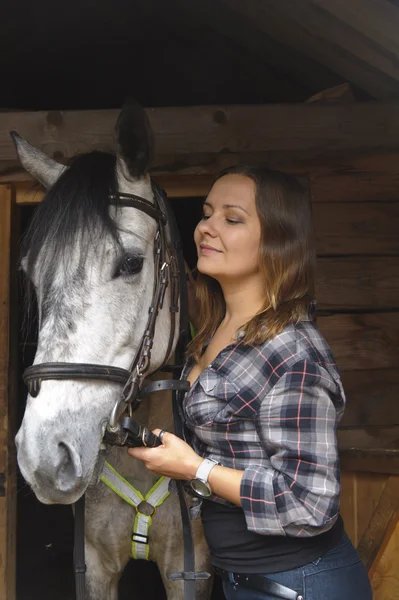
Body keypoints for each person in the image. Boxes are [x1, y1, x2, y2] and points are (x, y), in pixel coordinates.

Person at [128, 166, 373, 600]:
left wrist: (194, 469)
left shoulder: (294, 351)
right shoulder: (212, 330)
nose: (207, 227)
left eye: (232, 218)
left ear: (277, 241)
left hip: (302, 583)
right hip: (244, 580)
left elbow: (310, 504)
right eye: (207, 214)